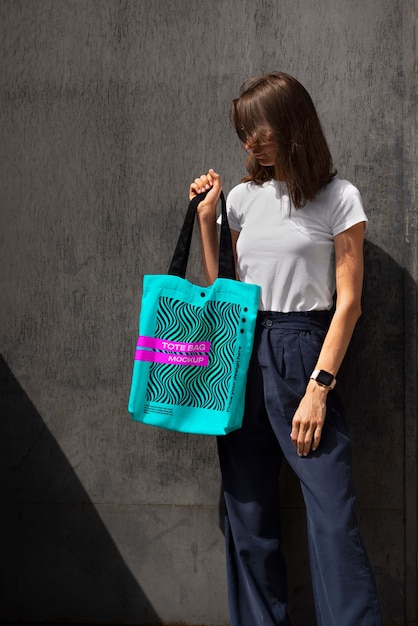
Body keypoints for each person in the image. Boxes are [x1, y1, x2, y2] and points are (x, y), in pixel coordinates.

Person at [189, 72, 382, 625]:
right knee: (247, 512)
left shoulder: (338, 197)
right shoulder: (245, 198)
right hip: (242, 350)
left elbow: (349, 304)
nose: (250, 142)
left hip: (304, 350)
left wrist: (319, 388)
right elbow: (221, 290)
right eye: (243, 133)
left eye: (259, 128)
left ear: (294, 122)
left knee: (331, 515)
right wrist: (210, 221)